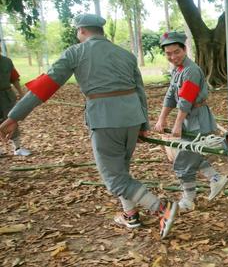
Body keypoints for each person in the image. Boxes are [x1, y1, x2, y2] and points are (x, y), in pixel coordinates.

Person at [0, 14, 178, 239]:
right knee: (120, 169)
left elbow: (45, 85)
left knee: (113, 178)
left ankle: (161, 208)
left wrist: (15, 115)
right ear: (100, 31)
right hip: (132, 117)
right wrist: (143, 124)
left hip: (105, 120)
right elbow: (139, 90)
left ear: (81, 31)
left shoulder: (77, 52)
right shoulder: (126, 54)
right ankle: (130, 214)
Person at [153, 31, 228, 212]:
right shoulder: (177, 70)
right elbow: (171, 95)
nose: (173, 57)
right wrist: (161, 118)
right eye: (168, 53)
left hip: (196, 120)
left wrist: (177, 123)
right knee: (192, 154)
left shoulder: (191, 70)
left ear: (185, 49)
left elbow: (185, 101)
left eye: (176, 52)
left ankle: (188, 200)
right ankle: (215, 178)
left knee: (183, 160)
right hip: (188, 118)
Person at [0, 46, 31, 156]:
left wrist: (21, 93)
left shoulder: (7, 62)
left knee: (12, 119)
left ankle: (17, 148)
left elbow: (14, 78)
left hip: (7, 95)